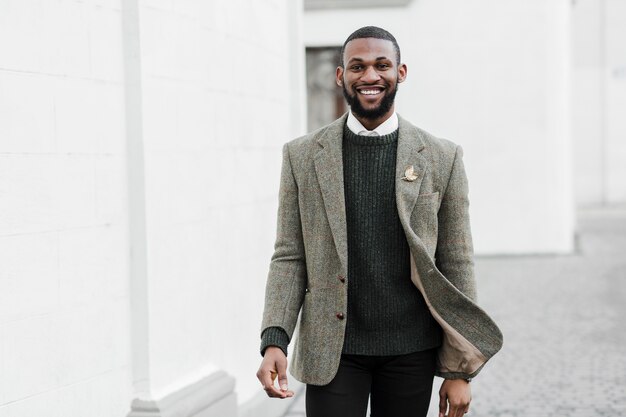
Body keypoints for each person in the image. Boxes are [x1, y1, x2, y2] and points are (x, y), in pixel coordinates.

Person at [256, 26, 502, 417]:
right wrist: (275, 339)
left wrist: (460, 370)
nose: (370, 76)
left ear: (400, 73)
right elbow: (289, 256)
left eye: (381, 65)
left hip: (411, 348)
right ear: (341, 76)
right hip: (332, 350)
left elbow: (456, 261)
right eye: (357, 66)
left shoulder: (442, 157)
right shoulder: (301, 156)